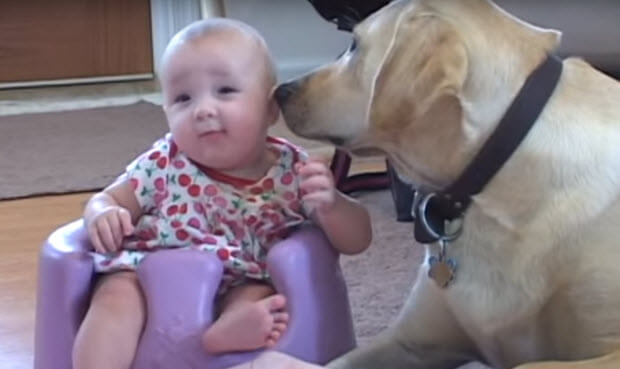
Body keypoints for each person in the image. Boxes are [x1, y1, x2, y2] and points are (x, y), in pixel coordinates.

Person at [71, 18, 372, 369]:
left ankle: (226, 331)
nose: (203, 109)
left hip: (245, 278)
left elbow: (357, 240)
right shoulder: (164, 163)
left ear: (270, 108)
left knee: (262, 299)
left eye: (225, 90)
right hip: (151, 276)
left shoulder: (294, 171)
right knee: (115, 294)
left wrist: (332, 205)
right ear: (166, 112)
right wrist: (102, 213)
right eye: (183, 98)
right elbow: (107, 198)